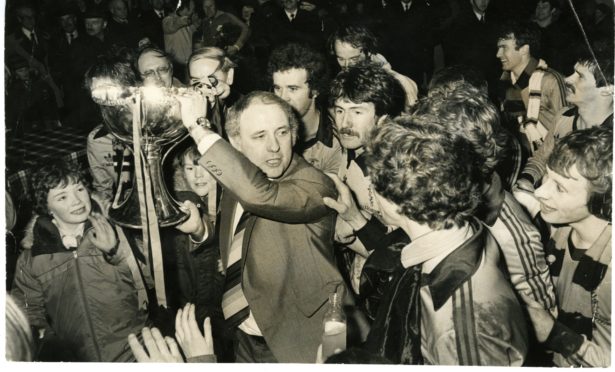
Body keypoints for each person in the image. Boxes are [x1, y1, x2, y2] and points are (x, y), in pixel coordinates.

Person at [177, 90, 345, 363]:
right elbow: (242, 240)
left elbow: (259, 196)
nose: (274, 147)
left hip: (301, 340)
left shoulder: (315, 184)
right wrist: (202, 231)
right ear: (235, 142)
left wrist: (198, 126)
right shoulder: (239, 176)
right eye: (259, 136)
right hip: (245, 335)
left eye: (281, 132)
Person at [363, 120, 528, 365]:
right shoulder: (467, 229)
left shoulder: (457, 324)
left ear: (395, 203)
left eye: (373, 184)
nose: (369, 190)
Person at [11, 160, 149, 362]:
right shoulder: (32, 259)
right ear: (46, 207)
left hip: (134, 352)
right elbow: (28, 314)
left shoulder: (114, 230)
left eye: (80, 189)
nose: (76, 201)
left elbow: (150, 282)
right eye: (63, 197)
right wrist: (54, 349)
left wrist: (116, 251)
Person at [526, 125, 612, 367]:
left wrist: (554, 334)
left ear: (602, 201)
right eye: (546, 177)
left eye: (560, 187)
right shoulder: (560, 229)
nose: (540, 192)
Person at [326, 61, 406, 295]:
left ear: (382, 118)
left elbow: (399, 256)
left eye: (357, 112)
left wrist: (351, 223)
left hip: (392, 290)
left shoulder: (396, 169)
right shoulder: (353, 149)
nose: (345, 124)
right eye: (340, 111)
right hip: (365, 282)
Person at [513, 51, 614, 218]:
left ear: (607, 89)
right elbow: (542, 157)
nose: (567, 79)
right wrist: (527, 178)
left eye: (580, 76)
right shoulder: (563, 117)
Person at [496, 20, 568, 169]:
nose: (498, 54)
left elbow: (567, 132)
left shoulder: (550, 81)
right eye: (498, 48)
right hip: (522, 163)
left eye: (504, 48)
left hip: (553, 162)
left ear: (524, 49)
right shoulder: (505, 83)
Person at [268, 42, 343, 174]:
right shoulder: (264, 127)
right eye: (277, 88)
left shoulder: (337, 141)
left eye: (293, 89)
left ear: (315, 91)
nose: (282, 98)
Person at [328, 24, 418, 111]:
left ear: (368, 53)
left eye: (354, 59)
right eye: (341, 59)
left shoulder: (392, 82)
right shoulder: (337, 75)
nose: (347, 65)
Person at [188, 47, 240, 137]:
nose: (204, 87)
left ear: (229, 76)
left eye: (211, 79)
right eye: (196, 81)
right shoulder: (189, 105)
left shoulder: (245, 108)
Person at [163, 0, 200, 84]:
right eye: (192, 8)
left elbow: (191, 31)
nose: (193, 11)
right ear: (186, 8)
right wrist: (188, 20)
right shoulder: (167, 20)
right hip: (176, 66)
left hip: (188, 64)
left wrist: (196, 24)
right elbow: (175, 24)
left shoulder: (188, 24)